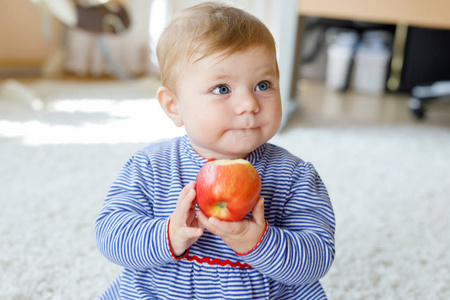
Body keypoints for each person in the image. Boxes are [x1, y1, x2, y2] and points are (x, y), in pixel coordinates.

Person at [95, 2, 335, 299]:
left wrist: (259, 241)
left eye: (263, 84)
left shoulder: (294, 175)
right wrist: (167, 236)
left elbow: (317, 257)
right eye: (222, 89)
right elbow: (110, 234)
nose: (249, 103)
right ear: (174, 106)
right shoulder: (150, 166)